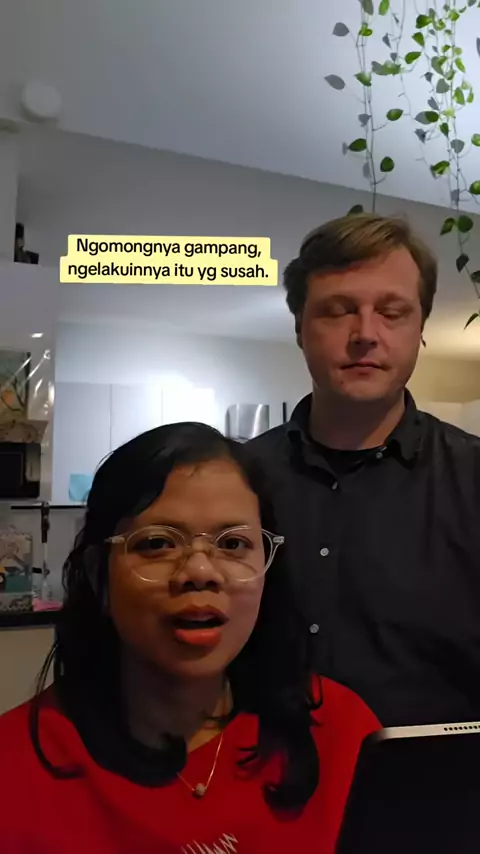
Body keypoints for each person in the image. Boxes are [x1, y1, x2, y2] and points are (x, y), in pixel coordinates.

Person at [0, 422, 380, 854]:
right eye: (157, 543)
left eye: (233, 544)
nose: (200, 572)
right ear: (98, 575)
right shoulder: (13, 770)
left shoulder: (342, 735)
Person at [246, 212, 480, 727]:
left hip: (442, 776)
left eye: (392, 313)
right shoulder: (237, 481)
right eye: (338, 311)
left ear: (420, 329)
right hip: (260, 772)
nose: (366, 334)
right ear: (300, 328)